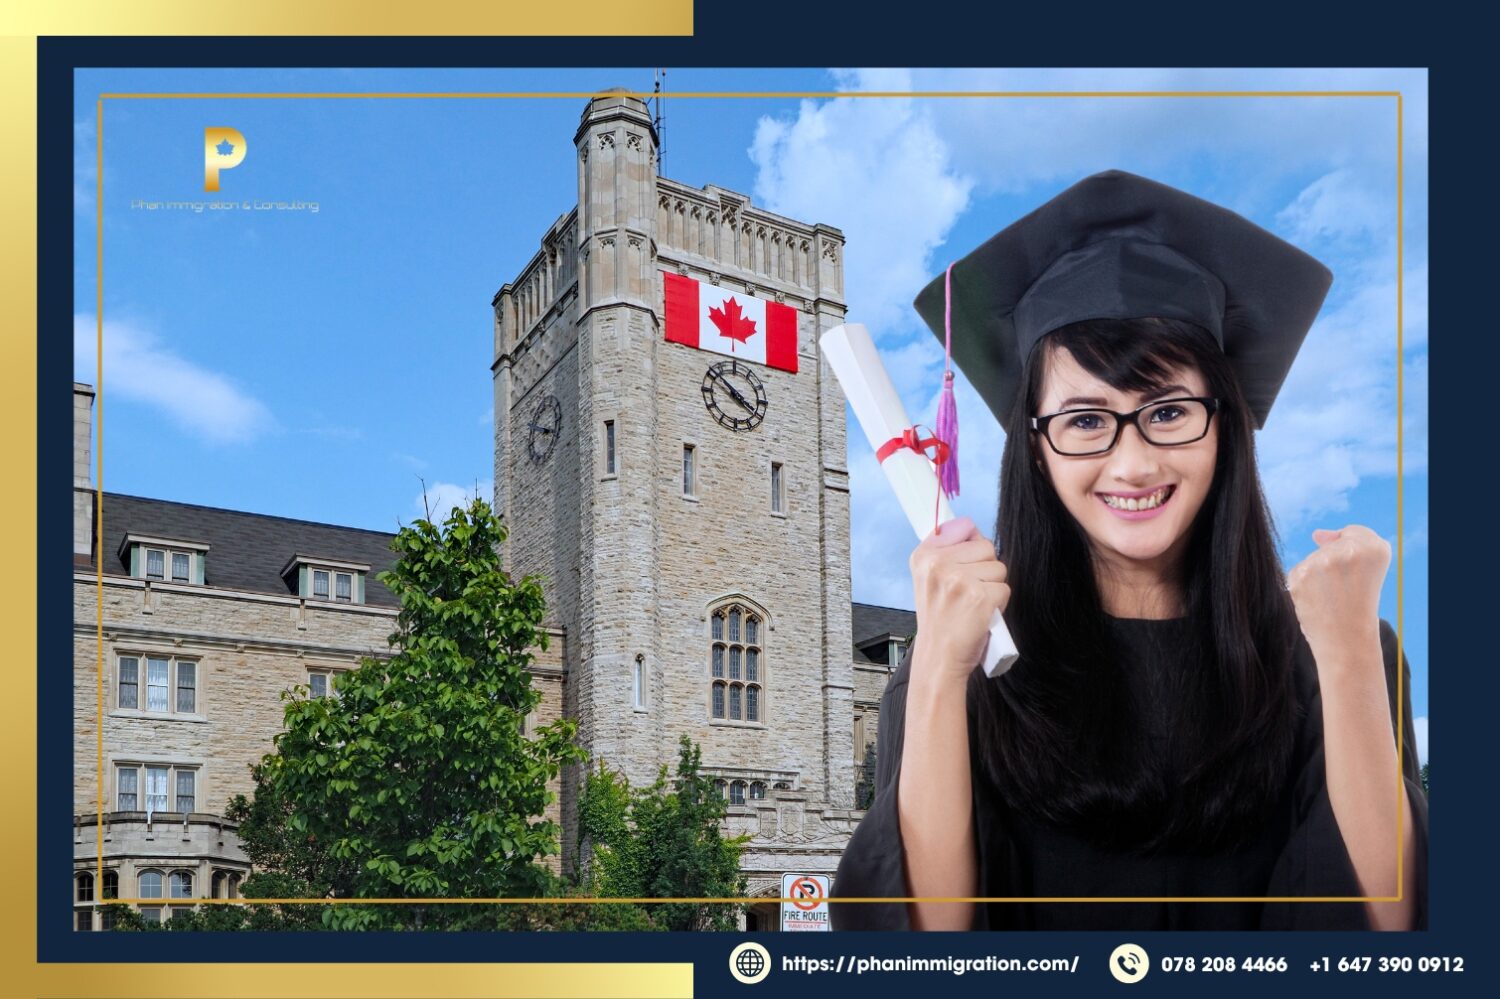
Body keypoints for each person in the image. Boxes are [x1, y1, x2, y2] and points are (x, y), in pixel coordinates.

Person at [830, 170, 1427, 931]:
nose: (1134, 463)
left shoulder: (1334, 648)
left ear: (1225, 426)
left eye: (1169, 411)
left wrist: (1349, 657)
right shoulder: (965, 654)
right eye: (1085, 420)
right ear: (1034, 445)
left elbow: (1389, 933)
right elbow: (925, 943)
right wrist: (941, 675)